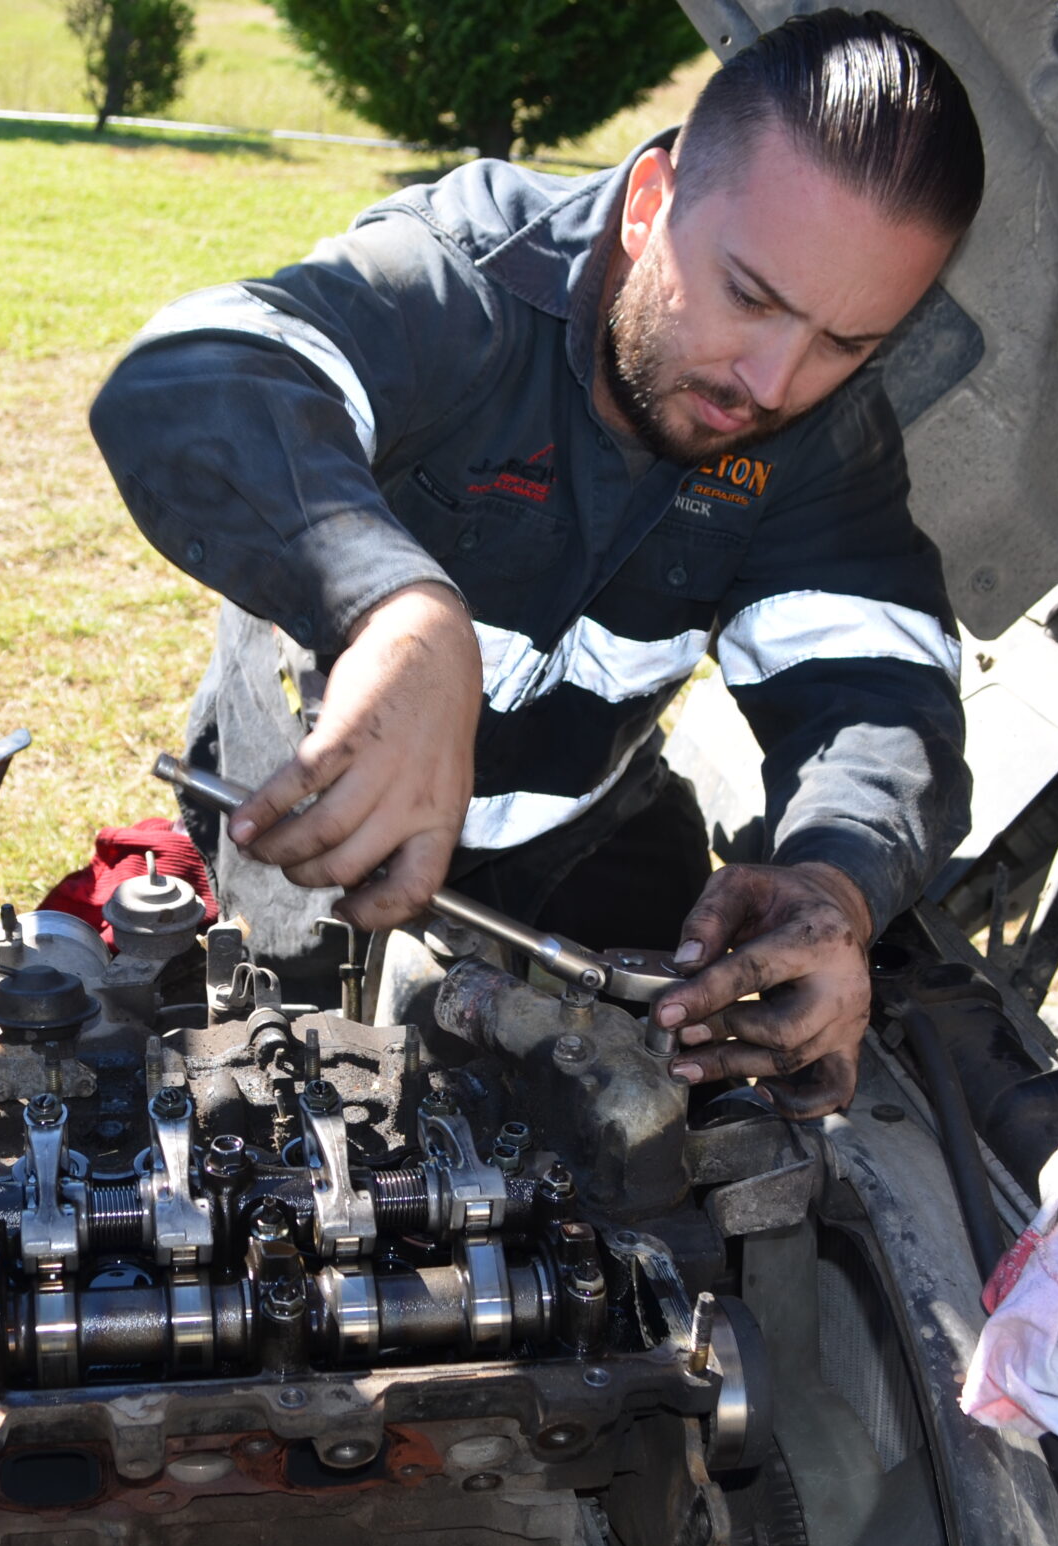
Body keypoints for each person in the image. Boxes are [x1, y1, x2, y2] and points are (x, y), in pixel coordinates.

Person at [89, 9, 982, 1115]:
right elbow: (191, 375)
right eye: (751, 297)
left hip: (579, 845)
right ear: (653, 203)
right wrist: (397, 611)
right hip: (309, 817)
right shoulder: (465, 280)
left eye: (846, 344)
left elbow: (877, 682)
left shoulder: (819, 428)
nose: (772, 382)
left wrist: (834, 883)